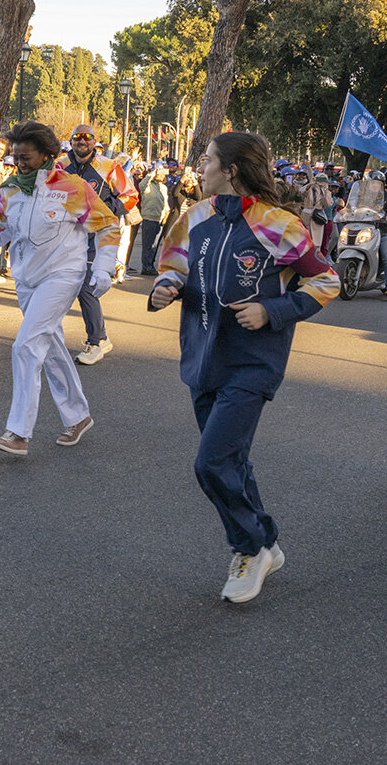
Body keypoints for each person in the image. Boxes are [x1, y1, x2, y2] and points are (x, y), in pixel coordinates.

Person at [149, 131, 339, 603]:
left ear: (231, 170)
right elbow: (172, 264)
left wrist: (272, 312)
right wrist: (166, 287)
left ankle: (249, 548)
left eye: (209, 160)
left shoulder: (278, 223)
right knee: (231, 460)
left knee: (211, 463)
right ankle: (266, 541)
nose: (202, 168)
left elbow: (327, 279)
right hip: (201, 358)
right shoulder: (194, 216)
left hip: (253, 364)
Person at [0, 121, 120, 457]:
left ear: (46, 155)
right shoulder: (9, 190)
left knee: (26, 346)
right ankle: (78, 415)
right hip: (27, 278)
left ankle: (18, 432)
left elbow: (108, 225)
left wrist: (103, 266)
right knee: (52, 345)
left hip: (62, 275)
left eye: (26, 157)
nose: (19, 164)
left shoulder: (71, 187)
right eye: (16, 158)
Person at [57, 125, 138, 365]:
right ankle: (95, 338)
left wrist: (107, 210)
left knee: (86, 286)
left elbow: (130, 196)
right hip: (67, 235)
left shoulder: (109, 166)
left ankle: (96, 342)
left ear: (94, 142)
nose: (82, 141)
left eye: (87, 137)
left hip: (98, 233)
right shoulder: (60, 166)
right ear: (71, 142)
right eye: (77, 137)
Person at [138, 164, 170, 274]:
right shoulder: (148, 186)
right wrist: (152, 173)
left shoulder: (163, 187)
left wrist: (166, 213)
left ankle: (150, 264)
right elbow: (142, 185)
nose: (160, 175)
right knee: (148, 244)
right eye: (158, 173)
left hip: (160, 218)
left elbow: (165, 202)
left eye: (162, 173)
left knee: (155, 245)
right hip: (149, 217)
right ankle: (146, 266)